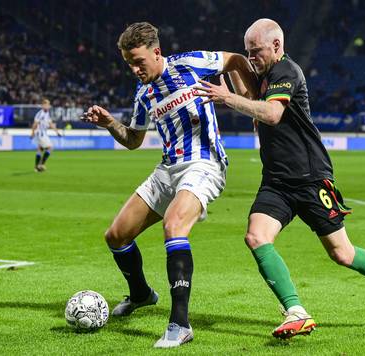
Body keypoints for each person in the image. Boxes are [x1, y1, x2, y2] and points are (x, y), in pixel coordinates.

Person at [196, 18, 365, 339]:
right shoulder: (264, 72)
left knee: (342, 254)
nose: (252, 58)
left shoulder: (287, 71)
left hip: (310, 177)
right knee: (256, 237)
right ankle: (296, 311)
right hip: (277, 180)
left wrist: (228, 98)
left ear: (276, 46)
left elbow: (272, 114)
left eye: (256, 51)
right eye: (248, 52)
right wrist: (229, 62)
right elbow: (251, 96)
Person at [81, 22, 256, 348]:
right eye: (129, 64)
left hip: (205, 163)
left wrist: (245, 95)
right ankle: (141, 294)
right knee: (116, 236)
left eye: (138, 61)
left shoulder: (190, 63)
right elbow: (133, 140)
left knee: (174, 226)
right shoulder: (143, 93)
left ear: (156, 52)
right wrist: (108, 123)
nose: (134, 69)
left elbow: (234, 59)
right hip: (167, 169)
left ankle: (180, 324)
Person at [30, 99, 61, 172]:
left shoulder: (47, 113)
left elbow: (50, 123)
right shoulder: (40, 114)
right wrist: (32, 133)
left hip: (43, 133)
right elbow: (35, 124)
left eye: (48, 105)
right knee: (50, 148)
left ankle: (36, 167)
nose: (48, 106)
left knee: (40, 149)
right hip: (40, 133)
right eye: (46, 105)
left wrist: (57, 132)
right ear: (43, 105)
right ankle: (41, 165)